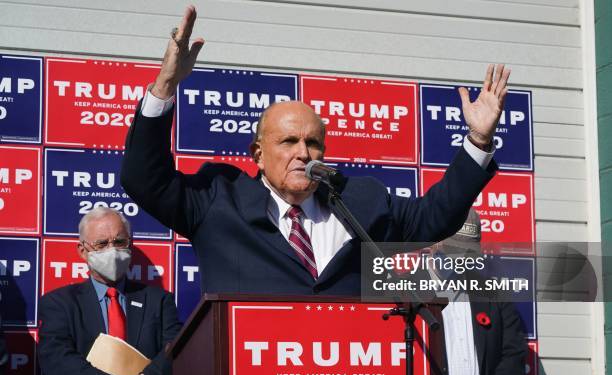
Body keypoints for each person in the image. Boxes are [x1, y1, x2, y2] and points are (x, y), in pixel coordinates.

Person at [121, 6, 511, 296]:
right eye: (289, 142)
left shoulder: (361, 201)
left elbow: (434, 218)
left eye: (313, 143)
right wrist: (165, 85)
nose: (304, 153)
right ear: (257, 153)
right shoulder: (216, 200)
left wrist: (477, 142)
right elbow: (144, 179)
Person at [37, 208, 181, 375]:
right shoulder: (58, 303)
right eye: (102, 244)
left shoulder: (160, 301)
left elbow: (172, 355)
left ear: (130, 245)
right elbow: (56, 358)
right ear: (82, 251)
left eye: (119, 242)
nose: (112, 250)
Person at [429, 209, 527, 375]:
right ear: (433, 240)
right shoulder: (405, 292)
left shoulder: (493, 293)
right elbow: (401, 358)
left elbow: (514, 354)